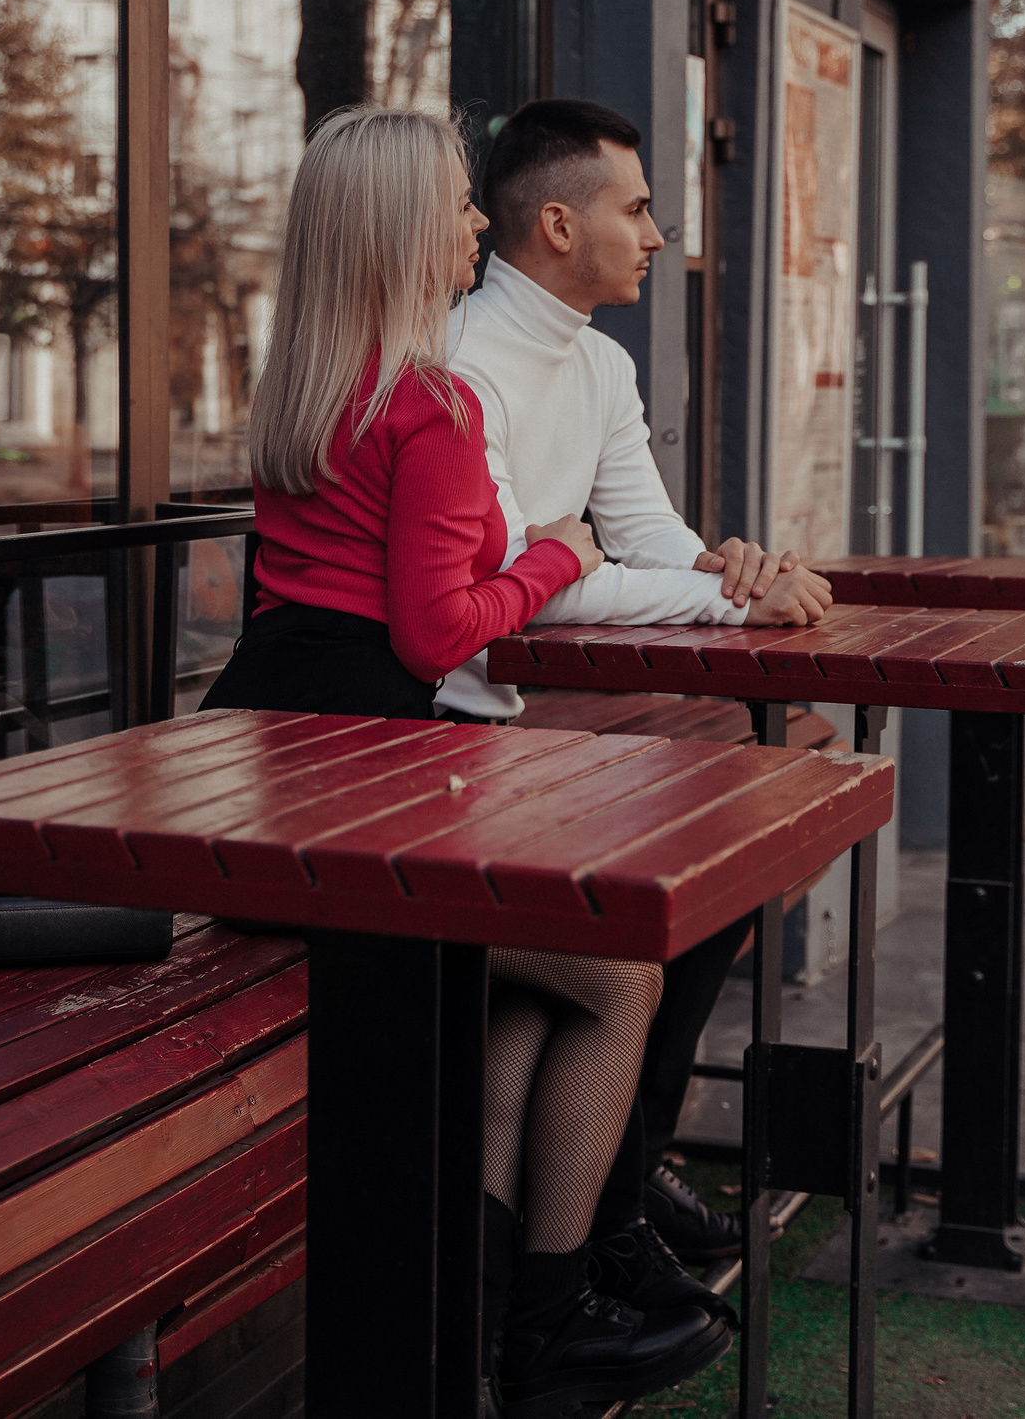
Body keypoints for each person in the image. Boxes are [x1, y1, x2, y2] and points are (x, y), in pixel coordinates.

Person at [199, 107, 730, 1419]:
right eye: (453, 204)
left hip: (269, 761)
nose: (473, 223)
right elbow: (437, 627)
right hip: (364, 785)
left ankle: (489, 1316)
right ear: (399, 232)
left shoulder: (309, 390)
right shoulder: (430, 402)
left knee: (527, 990)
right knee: (608, 974)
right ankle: (552, 1318)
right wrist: (557, 558)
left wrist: (582, 558)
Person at [439, 98, 834, 1294]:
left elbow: (641, 542)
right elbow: (526, 593)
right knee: (684, 867)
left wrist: (736, 567)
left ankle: (620, 1171)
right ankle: (605, 1206)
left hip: (521, 731)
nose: (659, 233)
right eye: (639, 207)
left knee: (755, 818)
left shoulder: (597, 361)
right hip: (442, 741)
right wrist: (727, 606)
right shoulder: (459, 368)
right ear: (557, 224)